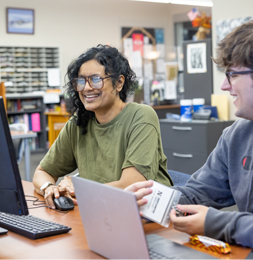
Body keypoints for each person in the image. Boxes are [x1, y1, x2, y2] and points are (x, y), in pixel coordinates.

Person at [126, 18, 253, 258]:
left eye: (232, 75)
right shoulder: (238, 135)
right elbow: (199, 192)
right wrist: (147, 201)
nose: (225, 85)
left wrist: (221, 224)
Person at [33, 44, 173, 209]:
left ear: (119, 82)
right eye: (81, 81)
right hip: (97, 209)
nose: (86, 88)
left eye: (96, 79)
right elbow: (42, 172)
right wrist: (50, 188)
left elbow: (131, 186)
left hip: (147, 216)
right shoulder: (79, 122)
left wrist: (76, 189)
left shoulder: (141, 116)